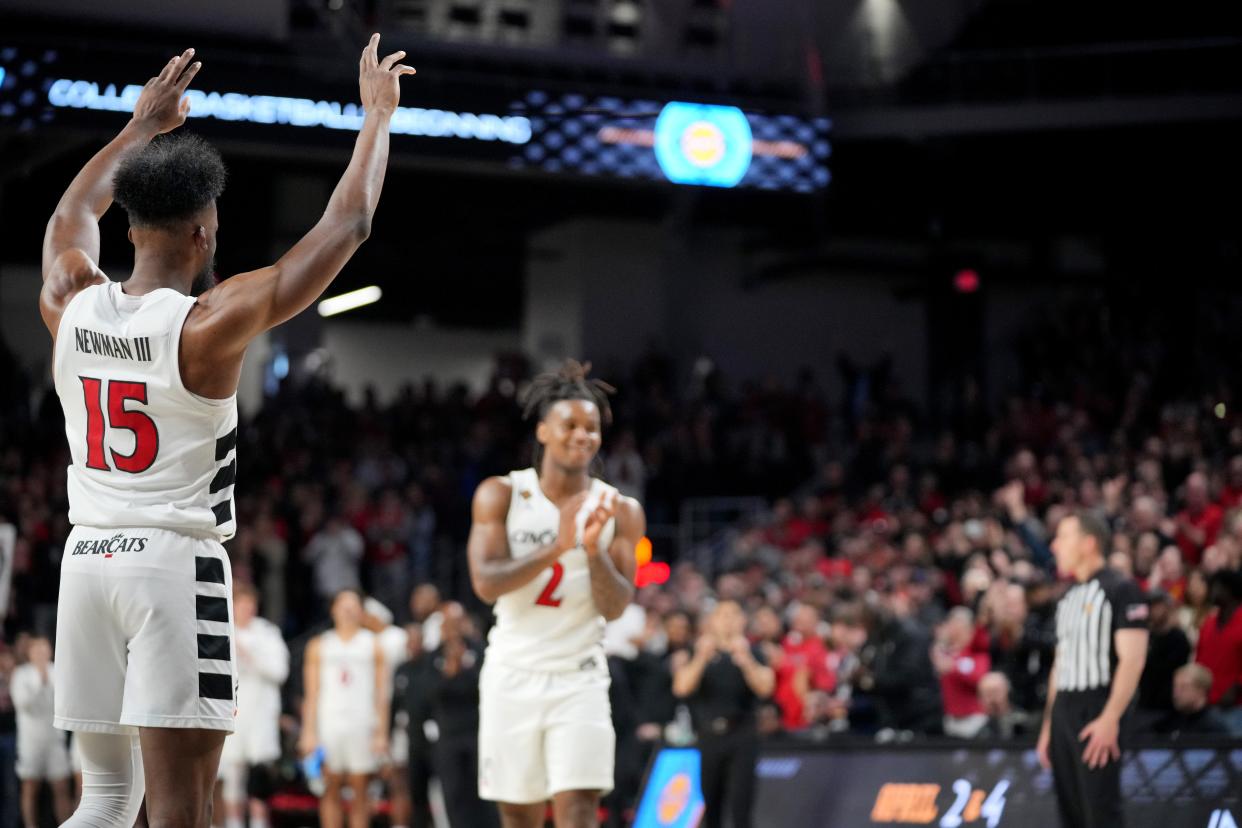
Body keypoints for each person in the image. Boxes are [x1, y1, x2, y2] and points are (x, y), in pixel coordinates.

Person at [40, 37, 414, 827]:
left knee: (104, 800)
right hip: (172, 569)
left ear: (133, 225)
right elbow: (347, 224)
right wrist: (376, 118)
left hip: (87, 562)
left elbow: (73, 212)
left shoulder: (71, 298)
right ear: (203, 237)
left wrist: (140, 127)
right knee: (187, 811)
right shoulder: (208, 323)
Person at [467, 360, 646, 828]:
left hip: (579, 676)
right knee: (519, 814)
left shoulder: (620, 510)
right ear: (544, 431)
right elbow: (485, 583)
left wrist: (590, 551)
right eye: (571, 424)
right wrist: (558, 545)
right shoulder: (501, 494)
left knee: (580, 808)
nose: (583, 435)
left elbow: (616, 606)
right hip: (512, 672)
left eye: (592, 427)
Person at [1036, 512, 1149, 828]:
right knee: (1070, 813)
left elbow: (1133, 660)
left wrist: (1111, 718)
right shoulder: (1067, 596)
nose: (1055, 546)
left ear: (1088, 543)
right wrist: (1048, 725)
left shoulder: (1121, 588)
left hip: (1097, 708)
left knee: (1100, 812)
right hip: (1064, 710)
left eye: (1063, 537)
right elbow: (1061, 663)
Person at [671, 600, 774, 828]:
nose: (728, 620)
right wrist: (701, 657)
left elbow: (766, 687)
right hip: (709, 735)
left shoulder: (753, 652)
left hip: (742, 734)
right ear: (712, 621)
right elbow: (681, 687)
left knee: (741, 805)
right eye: (722, 615)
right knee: (711, 805)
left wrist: (746, 660)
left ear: (742, 621)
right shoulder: (697, 651)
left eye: (733, 615)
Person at [299, 589, 390, 828]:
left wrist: (381, 733)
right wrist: (308, 732)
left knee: (361, 791)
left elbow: (382, 694)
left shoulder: (374, 644)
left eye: (353, 606)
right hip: (329, 724)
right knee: (330, 790)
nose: (348, 611)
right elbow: (312, 693)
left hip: (362, 724)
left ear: (361, 611)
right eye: (343, 605)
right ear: (333, 610)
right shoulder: (319, 645)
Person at [408, 602, 496, 828]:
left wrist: (457, 676)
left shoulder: (481, 649)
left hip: (479, 735)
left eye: (458, 622)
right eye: (448, 623)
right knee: (454, 796)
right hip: (447, 737)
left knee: (486, 796)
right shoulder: (432, 658)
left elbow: (487, 686)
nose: (453, 628)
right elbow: (427, 694)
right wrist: (451, 673)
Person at [215, 584, 289, 828]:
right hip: (233, 714)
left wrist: (249, 655)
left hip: (261, 716)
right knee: (232, 779)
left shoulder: (268, 633)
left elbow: (279, 671)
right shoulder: (221, 629)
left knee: (259, 780)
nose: (246, 608)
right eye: (241, 603)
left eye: (250, 603)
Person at [12, 636, 73, 826]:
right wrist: (40, 680)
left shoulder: (58, 672)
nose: (40, 654)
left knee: (61, 787)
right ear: (29, 653)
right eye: (36, 650)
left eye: (44, 649)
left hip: (55, 741)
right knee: (30, 788)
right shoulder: (21, 674)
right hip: (31, 742)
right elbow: (23, 704)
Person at [1193, 568, 1242, 735]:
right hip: (1207, 705)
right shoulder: (1208, 623)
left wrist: (1237, 688)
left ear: (1232, 590)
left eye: (1218, 587)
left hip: (1236, 706)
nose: (1213, 592)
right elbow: (1199, 660)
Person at [932, 607, 991, 738]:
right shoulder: (942, 652)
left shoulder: (977, 652)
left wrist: (954, 667)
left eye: (958, 626)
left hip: (974, 721)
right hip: (949, 720)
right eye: (952, 625)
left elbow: (979, 679)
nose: (954, 630)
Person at [1136, 589, 1190, 715]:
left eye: (1157, 606)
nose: (1153, 611)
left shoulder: (1178, 638)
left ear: (1168, 607)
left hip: (1169, 705)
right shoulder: (1146, 636)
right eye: (1150, 606)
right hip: (1145, 702)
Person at [1149, 664, 1229, 737]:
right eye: (1175, 687)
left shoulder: (1213, 727)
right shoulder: (1166, 723)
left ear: (1201, 690)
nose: (1176, 693)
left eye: (1184, 687)